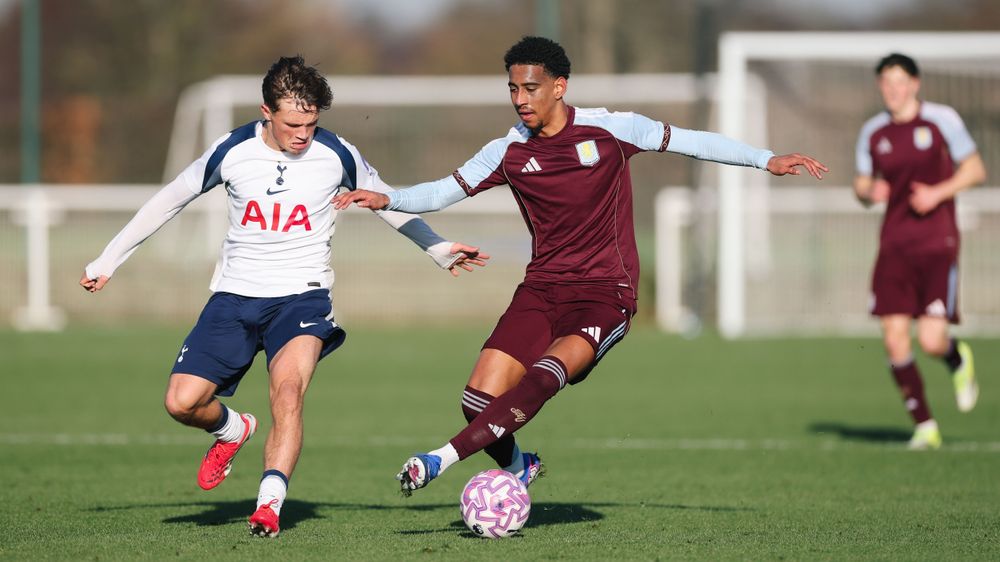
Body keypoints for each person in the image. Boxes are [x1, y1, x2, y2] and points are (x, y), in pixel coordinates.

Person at [333, 36, 828, 494]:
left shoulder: (613, 129)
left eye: (530, 88)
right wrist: (388, 197)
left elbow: (693, 141)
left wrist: (765, 159)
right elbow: (443, 190)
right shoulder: (506, 151)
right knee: (477, 402)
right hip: (542, 289)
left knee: (546, 375)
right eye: (512, 89)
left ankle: (441, 459)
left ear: (559, 87)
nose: (520, 99)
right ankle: (517, 471)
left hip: (604, 294)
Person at [80, 55, 487, 537]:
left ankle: (268, 505)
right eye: (293, 124)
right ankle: (232, 430)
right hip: (234, 297)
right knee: (182, 402)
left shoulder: (337, 153)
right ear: (266, 112)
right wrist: (110, 258)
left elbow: (387, 203)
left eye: (312, 124)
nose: (303, 135)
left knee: (288, 394)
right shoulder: (231, 151)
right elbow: (169, 199)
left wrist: (438, 249)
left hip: (303, 299)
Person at [853, 53, 985, 450]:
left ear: (915, 83)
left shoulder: (942, 120)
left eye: (900, 81)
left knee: (930, 340)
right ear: (880, 87)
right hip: (893, 244)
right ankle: (925, 426)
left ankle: (956, 358)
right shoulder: (873, 132)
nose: (893, 90)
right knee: (894, 339)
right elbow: (861, 184)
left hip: (936, 243)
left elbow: (976, 170)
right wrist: (867, 191)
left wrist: (937, 194)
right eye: (886, 83)